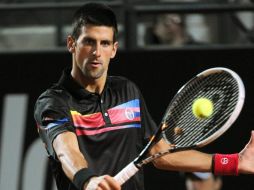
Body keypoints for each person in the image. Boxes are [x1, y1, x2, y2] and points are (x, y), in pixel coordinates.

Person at [34, 2, 254, 190]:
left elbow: (159, 153)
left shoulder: (127, 91)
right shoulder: (53, 102)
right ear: (72, 44)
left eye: (105, 43)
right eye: (89, 42)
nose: (96, 52)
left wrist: (235, 162)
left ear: (114, 49)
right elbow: (66, 151)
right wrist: (88, 181)